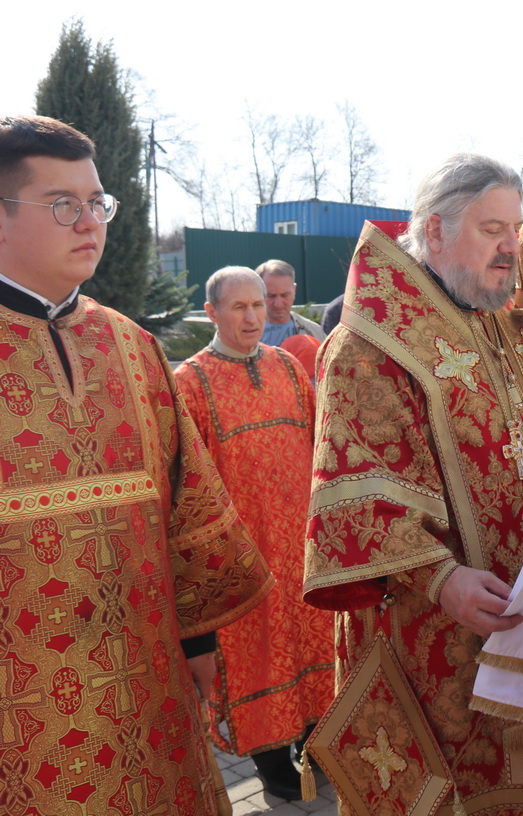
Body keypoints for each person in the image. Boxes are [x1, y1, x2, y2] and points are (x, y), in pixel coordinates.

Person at [303, 154, 523, 814]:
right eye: (491, 229)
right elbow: (355, 493)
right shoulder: (369, 347)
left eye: (513, 227)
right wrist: (441, 579)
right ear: (433, 233)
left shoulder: (510, 331)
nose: (512, 246)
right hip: (439, 638)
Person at [0, 115, 272, 814]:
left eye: (98, 203)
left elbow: (191, 507)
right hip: (23, 715)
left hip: (148, 685)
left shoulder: (131, 345)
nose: (89, 220)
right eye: (62, 203)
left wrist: (200, 635)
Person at [175, 266, 334, 800]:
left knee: (314, 649)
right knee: (259, 654)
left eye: (259, 306)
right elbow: (183, 484)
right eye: (238, 307)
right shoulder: (189, 384)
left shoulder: (289, 368)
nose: (251, 316)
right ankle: (273, 767)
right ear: (212, 312)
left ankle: (319, 747)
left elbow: (320, 447)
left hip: (301, 550)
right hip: (243, 560)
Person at [255, 259, 325, 346]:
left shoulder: (314, 332)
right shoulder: (243, 333)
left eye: (284, 295)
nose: (278, 304)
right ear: (258, 293)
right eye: (271, 296)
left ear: (294, 290)